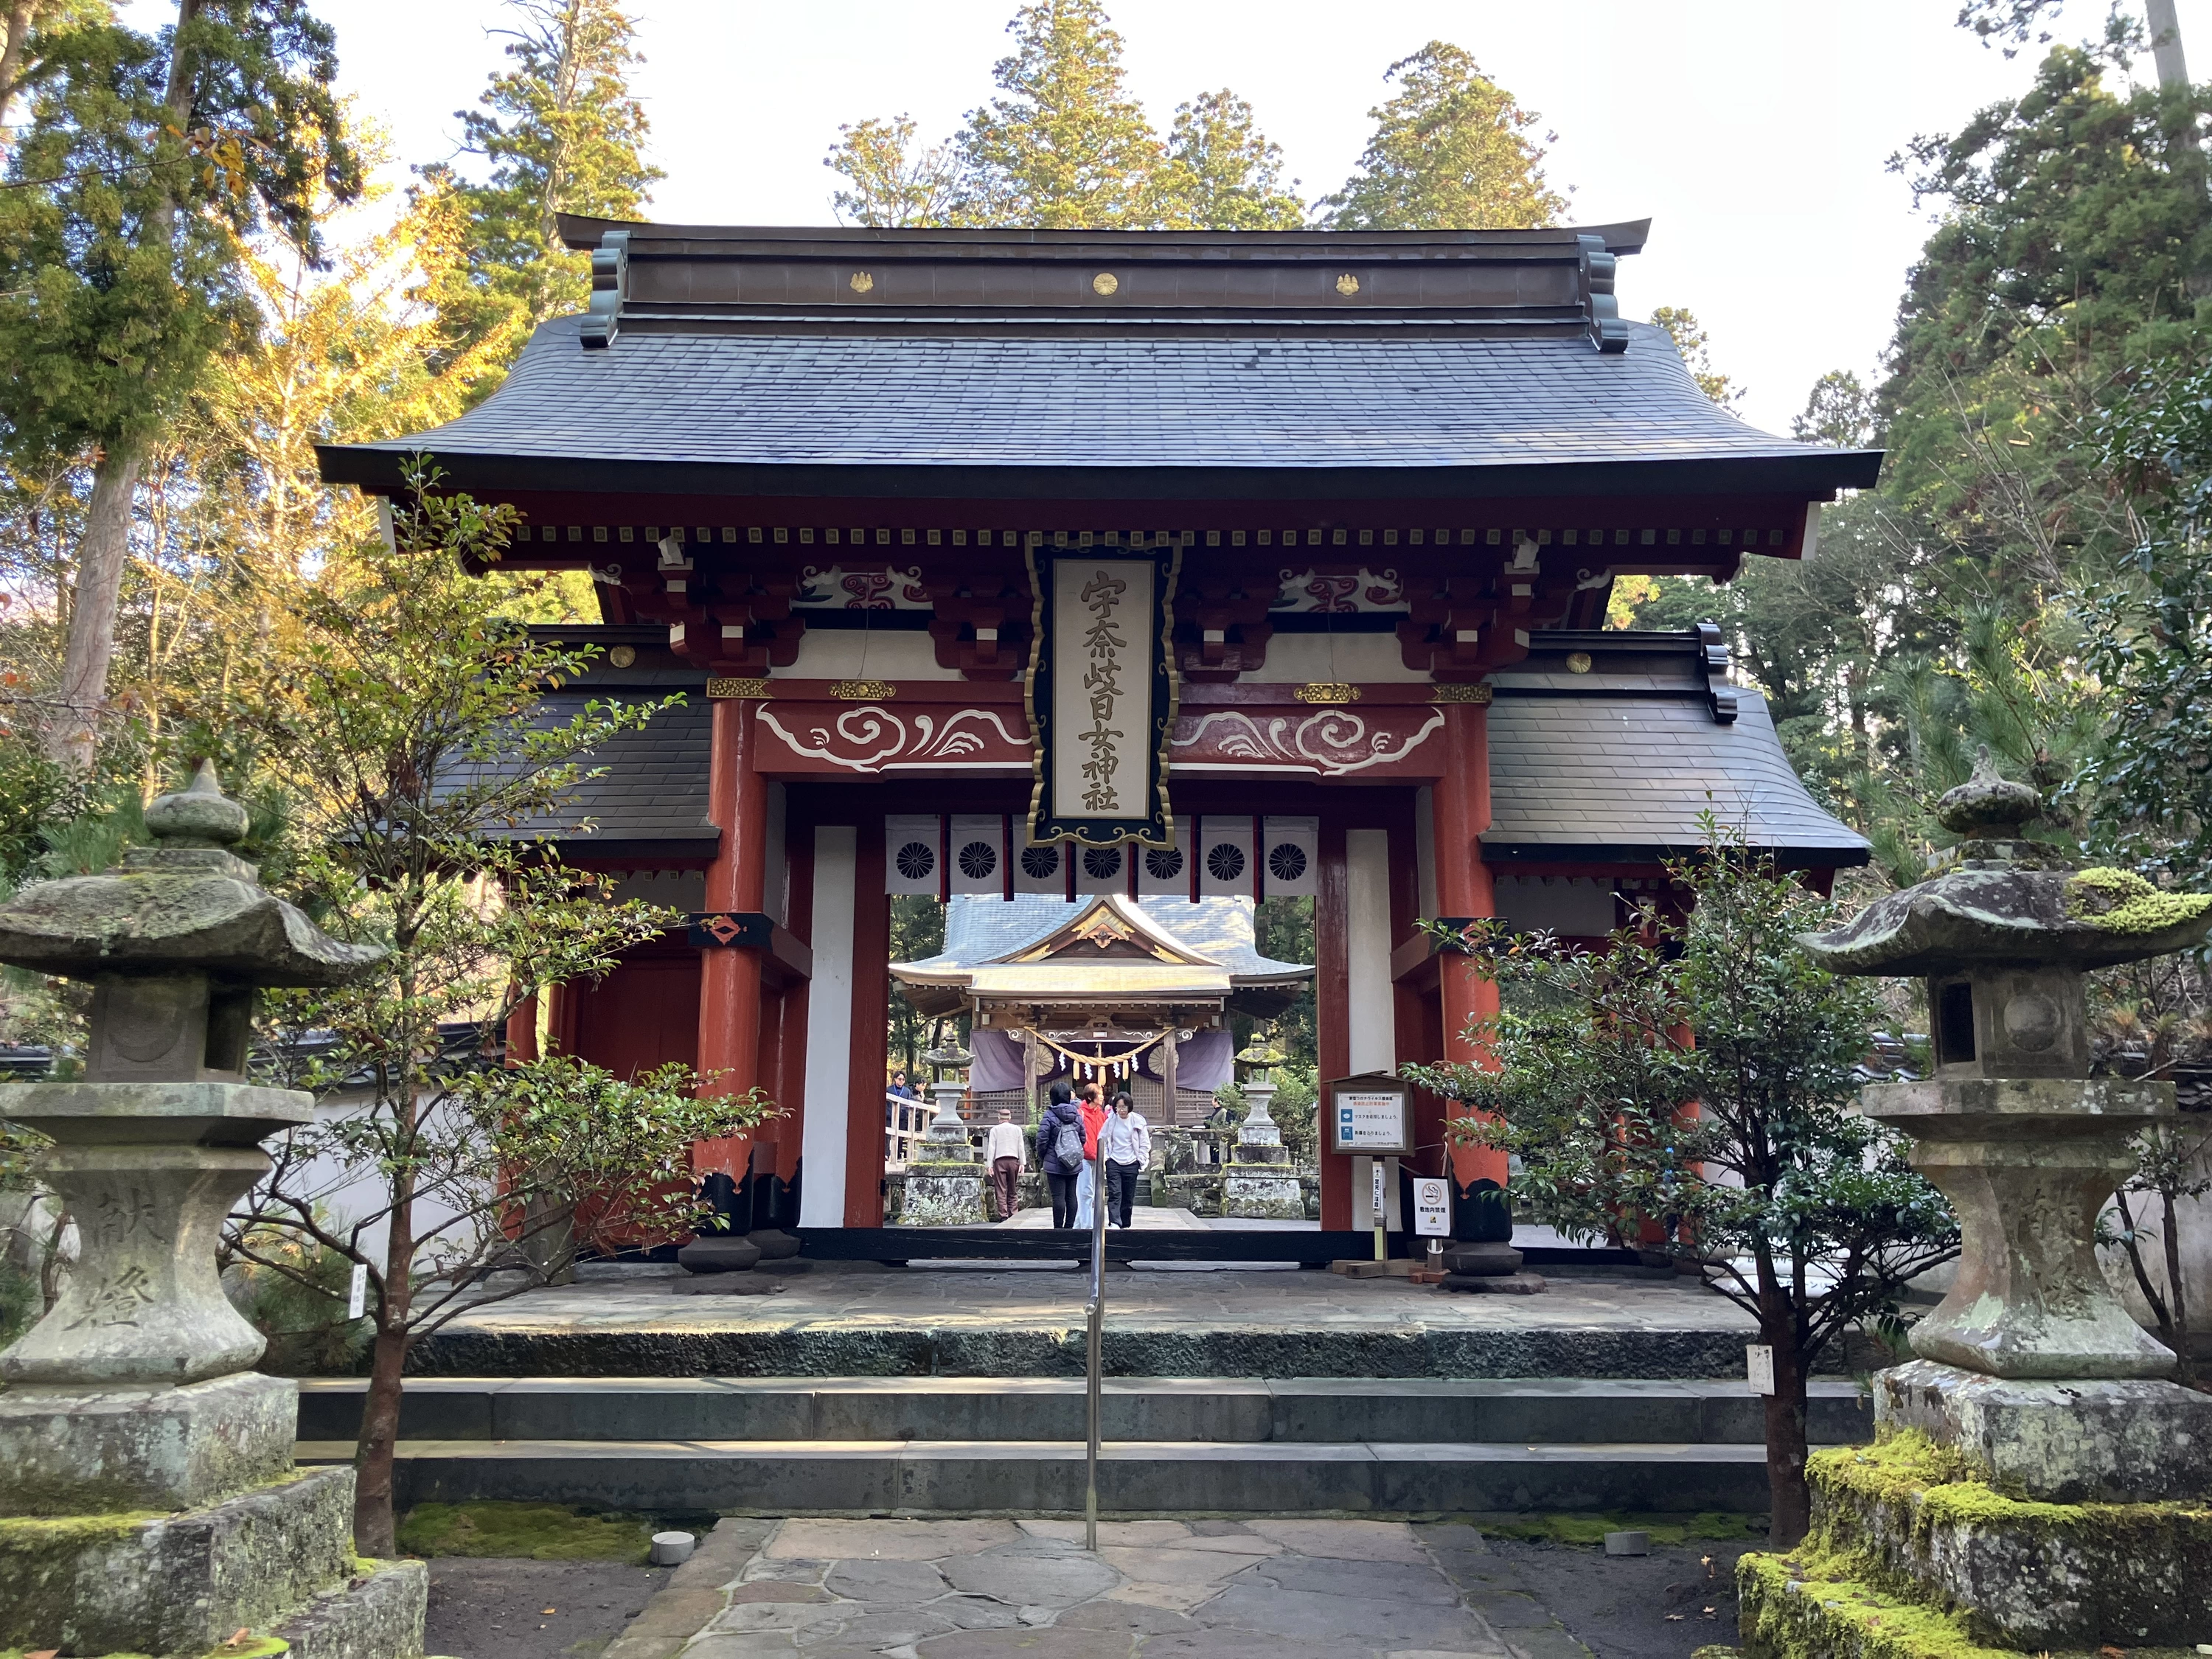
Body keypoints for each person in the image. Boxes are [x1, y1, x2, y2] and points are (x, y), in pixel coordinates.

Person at [1036, 1082, 1085, 1228]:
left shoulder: (1049, 1115)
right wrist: (1074, 1153)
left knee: (1058, 1197)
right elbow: (1083, 1138)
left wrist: (1044, 1156)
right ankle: (1069, 1228)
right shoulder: (1077, 1115)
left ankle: (1058, 1229)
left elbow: (1042, 1140)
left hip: (1054, 1162)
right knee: (1071, 1196)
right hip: (1074, 1162)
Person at [1102, 1091, 1149, 1228]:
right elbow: (1102, 1139)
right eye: (1118, 1107)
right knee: (1115, 1193)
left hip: (1131, 1163)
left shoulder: (1138, 1121)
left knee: (1128, 1196)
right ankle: (1115, 1222)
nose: (1121, 1110)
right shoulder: (1111, 1121)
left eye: (1124, 1107)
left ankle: (1125, 1223)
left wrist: (1140, 1160)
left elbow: (1144, 1143)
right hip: (1114, 1162)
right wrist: (1106, 1158)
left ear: (1129, 1106)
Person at [1072, 1082, 1109, 1230]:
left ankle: (1079, 1225)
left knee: (1095, 1193)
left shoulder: (1100, 1114)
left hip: (1098, 1157)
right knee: (1085, 1192)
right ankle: (1088, 1226)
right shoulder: (1080, 1113)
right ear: (1089, 1096)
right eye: (1099, 1094)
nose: (1102, 1097)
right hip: (1084, 1157)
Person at [984, 1105, 1025, 1222]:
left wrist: (989, 1165)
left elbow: (991, 1148)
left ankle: (1003, 1215)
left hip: (1000, 1160)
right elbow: (1020, 1147)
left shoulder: (995, 1130)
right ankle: (1014, 1213)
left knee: (1001, 1189)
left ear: (999, 1118)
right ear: (1010, 1117)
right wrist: (1023, 1163)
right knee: (1012, 1188)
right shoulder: (1017, 1129)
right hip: (1013, 1160)